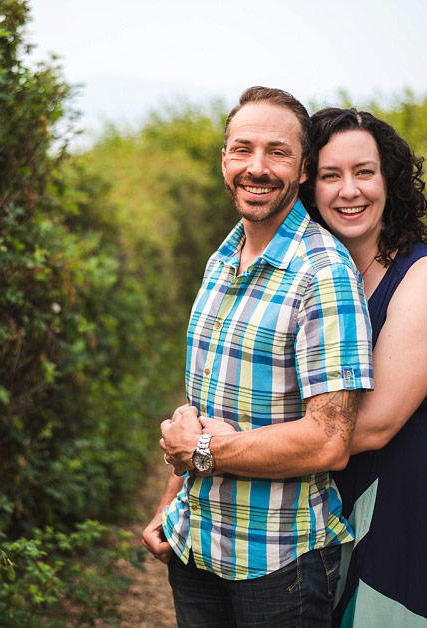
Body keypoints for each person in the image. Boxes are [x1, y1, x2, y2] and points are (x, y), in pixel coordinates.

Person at [141, 87, 374, 627]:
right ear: (224, 158)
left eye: (278, 152)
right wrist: (168, 504)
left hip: (277, 564)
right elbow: (205, 400)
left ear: (304, 168)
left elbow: (329, 439)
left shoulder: (324, 273)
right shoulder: (221, 260)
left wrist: (199, 452)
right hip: (197, 546)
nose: (257, 167)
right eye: (242, 149)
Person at [300, 107, 427, 627]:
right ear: (308, 187)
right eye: (330, 175)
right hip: (335, 487)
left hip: (416, 490)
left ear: (391, 181)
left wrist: (232, 450)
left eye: (365, 172)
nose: (349, 190)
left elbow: (377, 423)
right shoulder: (317, 276)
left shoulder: (425, 277)